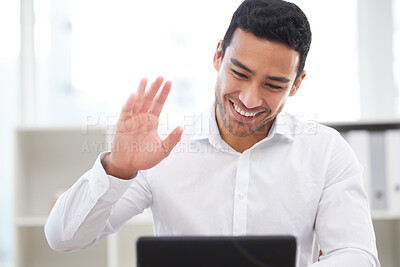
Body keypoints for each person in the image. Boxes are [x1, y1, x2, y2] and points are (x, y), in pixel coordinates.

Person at [44, 0, 380, 266]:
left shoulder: (326, 152)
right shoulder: (163, 148)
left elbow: (358, 255)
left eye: (273, 84)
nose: (249, 99)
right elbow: (63, 238)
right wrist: (118, 168)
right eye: (239, 72)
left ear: (297, 84)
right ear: (218, 55)